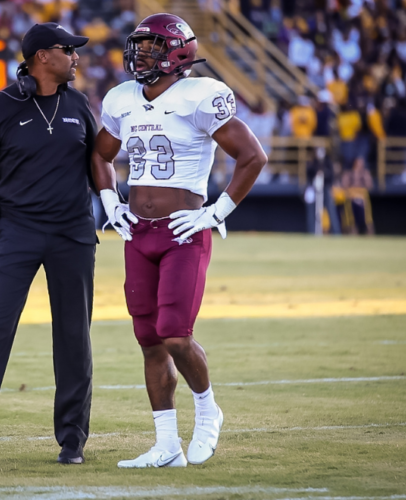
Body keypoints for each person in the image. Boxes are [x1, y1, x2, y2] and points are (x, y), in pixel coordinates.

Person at [92, 13, 266, 468]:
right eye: (139, 46)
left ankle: (208, 411)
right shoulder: (121, 98)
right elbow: (100, 154)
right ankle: (166, 446)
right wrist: (111, 202)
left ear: (176, 52)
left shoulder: (201, 95)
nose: (139, 55)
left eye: (150, 47)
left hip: (182, 231)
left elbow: (252, 156)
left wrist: (215, 212)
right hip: (138, 232)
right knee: (148, 339)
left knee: (174, 334)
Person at [0, 23, 96, 467]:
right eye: (69, 50)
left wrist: (127, 204)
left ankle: (72, 441)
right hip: (17, 234)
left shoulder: (79, 104)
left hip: (73, 235)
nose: (77, 57)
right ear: (43, 57)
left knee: (73, 337)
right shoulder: (0, 107)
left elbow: (98, 167)